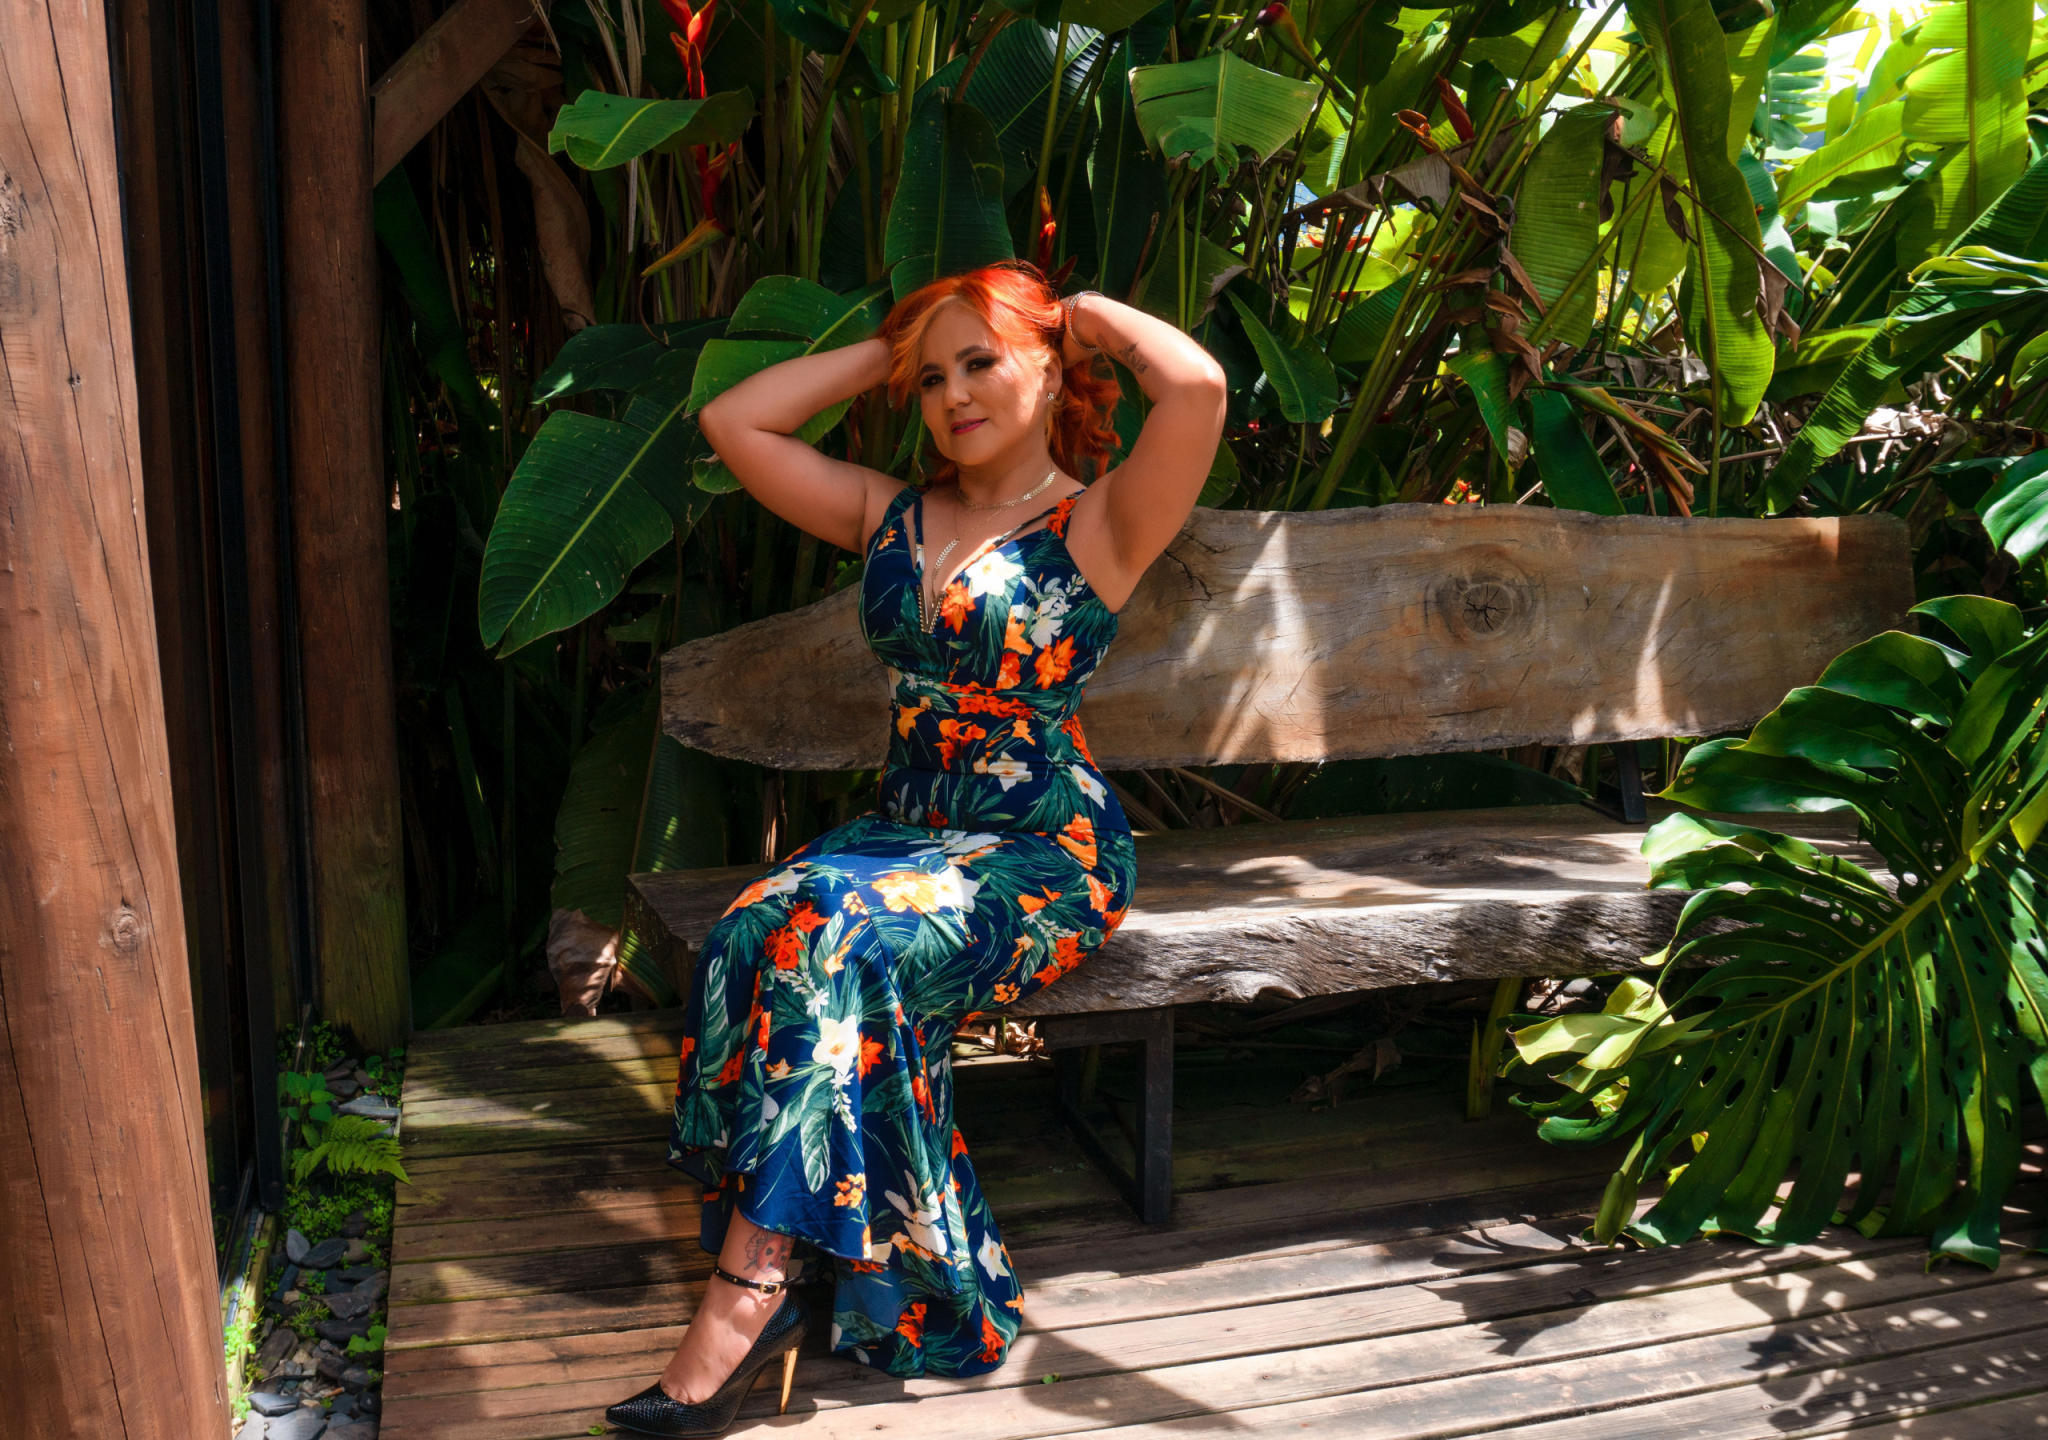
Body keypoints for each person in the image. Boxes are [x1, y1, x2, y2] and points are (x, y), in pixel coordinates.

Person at [604, 260, 1227, 1437]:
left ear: (1049, 371)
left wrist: (1080, 318)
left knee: (832, 938)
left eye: (979, 362)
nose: (952, 395)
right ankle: (812, 1249)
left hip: (1039, 849)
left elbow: (1193, 389)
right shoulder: (887, 514)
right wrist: (890, 348)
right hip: (907, 833)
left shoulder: (1098, 521)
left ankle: (747, 1292)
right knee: (753, 927)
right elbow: (734, 422)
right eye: (930, 380)